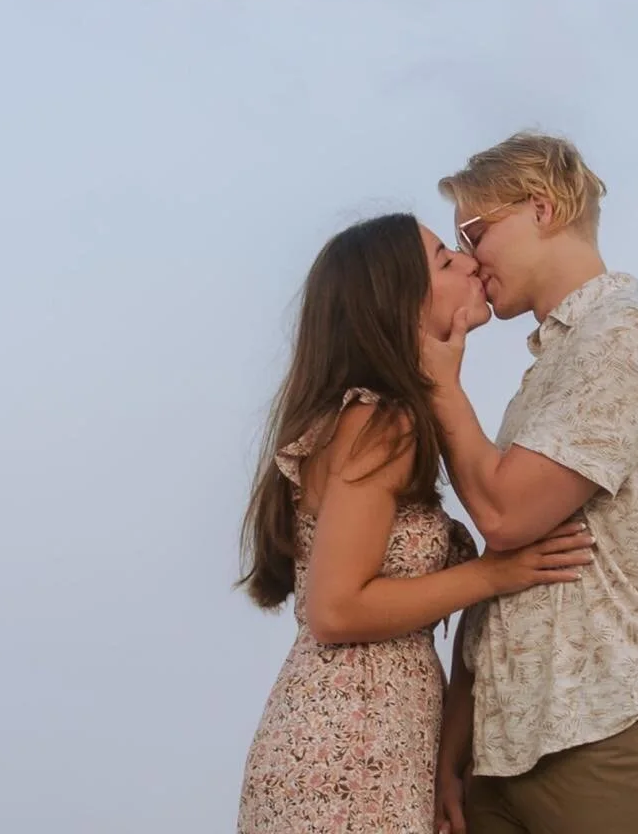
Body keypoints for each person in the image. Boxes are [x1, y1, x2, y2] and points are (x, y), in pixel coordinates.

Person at [237, 212, 596, 834]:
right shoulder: (383, 423)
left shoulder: (376, 419)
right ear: (398, 300)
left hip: (363, 742)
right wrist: (495, 574)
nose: (468, 262)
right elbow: (336, 610)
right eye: (443, 259)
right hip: (347, 753)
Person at [423, 134, 638, 834]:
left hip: (606, 730)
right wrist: (455, 750)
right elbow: (506, 576)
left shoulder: (624, 339)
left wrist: (437, 383)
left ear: (543, 209)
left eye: (475, 231)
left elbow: (505, 515)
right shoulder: (557, 363)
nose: (466, 257)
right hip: (504, 755)